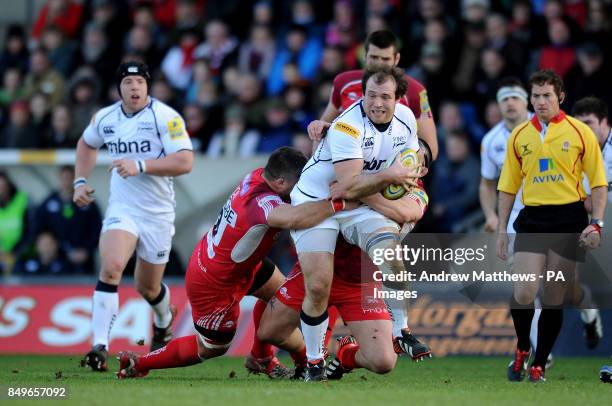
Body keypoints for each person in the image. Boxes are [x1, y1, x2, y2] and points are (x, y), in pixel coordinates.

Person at [114, 147, 356, 379]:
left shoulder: (258, 175)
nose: (300, 190)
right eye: (297, 184)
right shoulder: (261, 204)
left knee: (283, 301)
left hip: (239, 264)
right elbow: (295, 218)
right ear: (280, 182)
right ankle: (139, 363)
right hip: (215, 281)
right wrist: (338, 202)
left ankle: (267, 359)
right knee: (212, 347)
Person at [291, 66, 427, 381]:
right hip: (317, 201)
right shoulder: (347, 126)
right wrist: (389, 178)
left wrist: (402, 183)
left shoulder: (407, 118)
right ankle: (314, 364)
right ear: (362, 95)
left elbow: (409, 162)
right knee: (318, 285)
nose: (377, 103)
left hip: (358, 203)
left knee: (391, 255)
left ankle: (401, 331)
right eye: (371, 95)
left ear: (398, 98)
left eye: (385, 96)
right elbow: (349, 186)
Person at [74, 61, 194, 372]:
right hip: (122, 208)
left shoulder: (165, 117)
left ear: (147, 86)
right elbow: (86, 144)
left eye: (140, 81)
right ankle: (99, 346)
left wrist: (141, 165)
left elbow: (185, 161)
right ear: (119, 88)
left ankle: (164, 319)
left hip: (157, 213)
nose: (135, 88)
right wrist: (80, 181)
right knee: (112, 267)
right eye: (128, 83)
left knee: (147, 287)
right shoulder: (105, 118)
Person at [497, 70, 607, 383]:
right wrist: (503, 230)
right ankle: (522, 348)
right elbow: (507, 187)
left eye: (547, 95)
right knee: (524, 290)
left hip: (569, 219)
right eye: (536, 96)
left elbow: (598, 182)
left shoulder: (580, 132)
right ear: (530, 99)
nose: (541, 101)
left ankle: (539, 363)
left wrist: (596, 223)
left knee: (554, 295)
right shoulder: (520, 136)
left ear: (560, 96)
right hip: (533, 219)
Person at [257, 182, 430, 380]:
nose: (414, 164)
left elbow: (407, 213)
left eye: (420, 161)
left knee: (383, 361)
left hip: (360, 282)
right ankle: (307, 355)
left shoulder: (415, 191)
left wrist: (359, 193)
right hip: (317, 271)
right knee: (268, 332)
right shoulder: (346, 169)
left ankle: (346, 356)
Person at [307, 29, 438, 159]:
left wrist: (401, 170)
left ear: (396, 58)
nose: (379, 64)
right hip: (346, 166)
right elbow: (322, 129)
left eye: (385, 59)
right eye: (374, 57)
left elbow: (430, 148)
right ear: (364, 55)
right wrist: (317, 167)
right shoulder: (343, 82)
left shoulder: (415, 91)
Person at [34, 165, 102, 274]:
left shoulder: (87, 201)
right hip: (58, 256)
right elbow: (39, 228)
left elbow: (97, 228)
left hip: (84, 258)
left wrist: (87, 249)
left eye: (70, 178)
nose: (66, 182)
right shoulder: (49, 202)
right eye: (64, 178)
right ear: (59, 179)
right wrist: (50, 247)